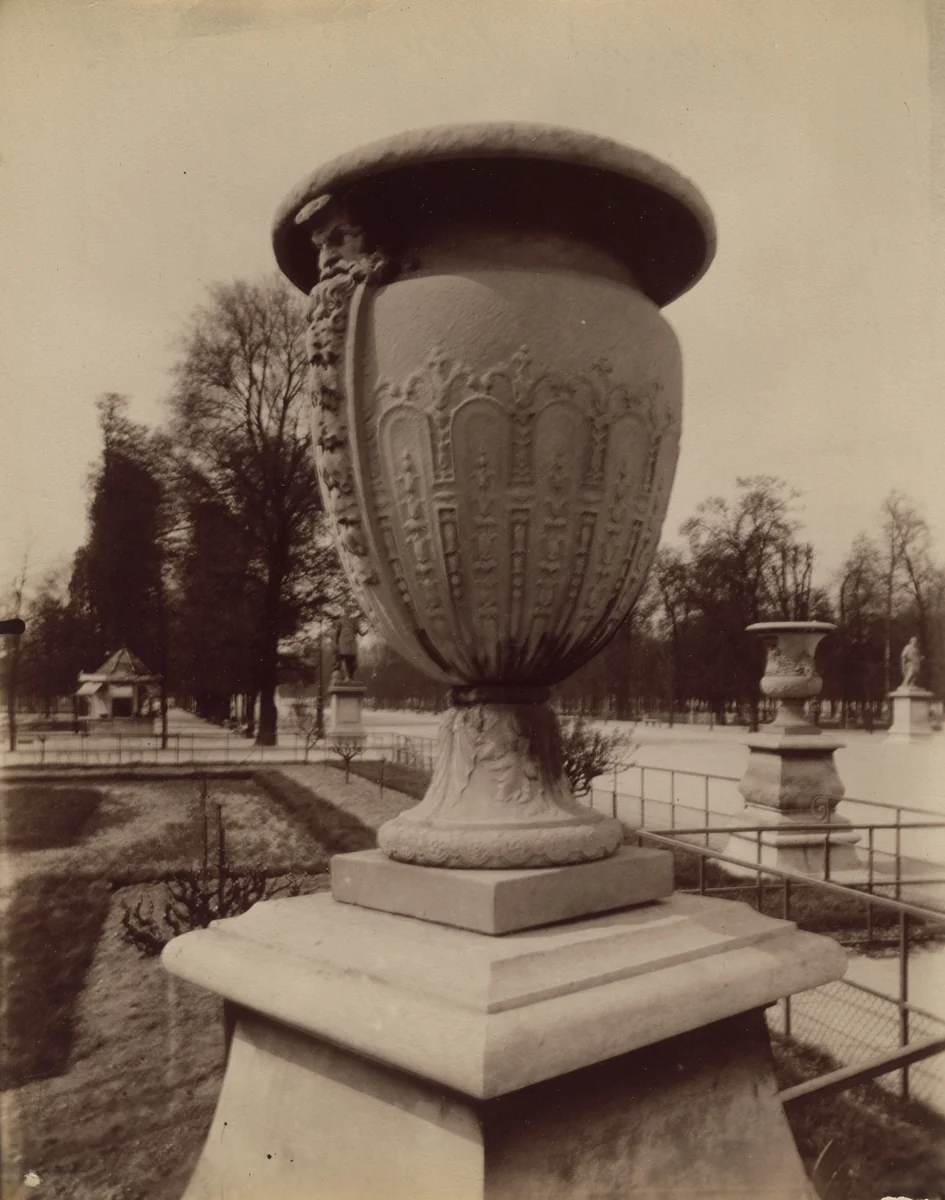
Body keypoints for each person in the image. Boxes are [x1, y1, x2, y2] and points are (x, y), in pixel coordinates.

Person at [332, 616, 358, 683]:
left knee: (354, 663)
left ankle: (351, 676)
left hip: (351, 643)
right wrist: (336, 644)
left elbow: (356, 631)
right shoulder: (341, 621)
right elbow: (337, 633)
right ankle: (347, 677)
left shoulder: (352, 621)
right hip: (343, 644)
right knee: (344, 660)